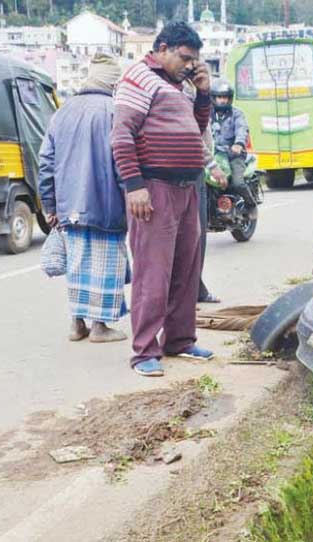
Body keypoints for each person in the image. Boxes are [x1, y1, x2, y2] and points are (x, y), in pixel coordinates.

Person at [111, 21, 214, 377]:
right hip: (154, 187)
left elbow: (197, 129)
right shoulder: (138, 78)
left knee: (186, 266)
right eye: (185, 58)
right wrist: (134, 185)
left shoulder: (181, 86)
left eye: (194, 60)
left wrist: (202, 95)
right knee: (154, 271)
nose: (190, 65)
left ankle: (180, 339)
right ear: (164, 48)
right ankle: (144, 351)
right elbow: (122, 134)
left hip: (187, 187)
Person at [38, 53, 129, 344]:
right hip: (106, 205)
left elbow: (46, 164)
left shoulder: (62, 112)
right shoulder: (114, 110)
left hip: (69, 207)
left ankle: (77, 324)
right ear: (114, 83)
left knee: (78, 266)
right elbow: (122, 163)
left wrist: (50, 206)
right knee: (103, 266)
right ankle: (100, 327)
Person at [210, 79, 253, 207]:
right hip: (213, 155)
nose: (222, 100)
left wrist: (238, 144)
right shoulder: (207, 114)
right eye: (219, 97)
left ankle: (251, 205)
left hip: (233, 155)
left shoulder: (237, 114)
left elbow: (242, 129)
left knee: (237, 183)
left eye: (225, 97)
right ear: (214, 98)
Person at [198, 122, 228, 304]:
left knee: (197, 240)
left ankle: (195, 289)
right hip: (189, 173)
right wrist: (212, 165)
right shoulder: (181, 95)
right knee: (193, 238)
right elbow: (191, 135)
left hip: (198, 171)